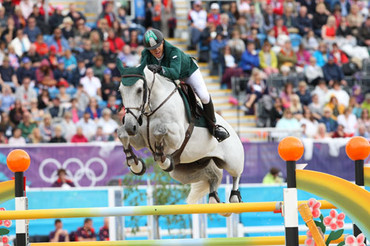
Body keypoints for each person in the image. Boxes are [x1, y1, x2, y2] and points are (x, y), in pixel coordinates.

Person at [139, 29, 229, 142]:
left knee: (204, 96)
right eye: (152, 48)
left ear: (163, 42)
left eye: (158, 46)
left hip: (188, 72)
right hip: (167, 76)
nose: (156, 49)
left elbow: (175, 73)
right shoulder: (145, 54)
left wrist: (160, 69)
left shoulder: (173, 51)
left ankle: (214, 127)